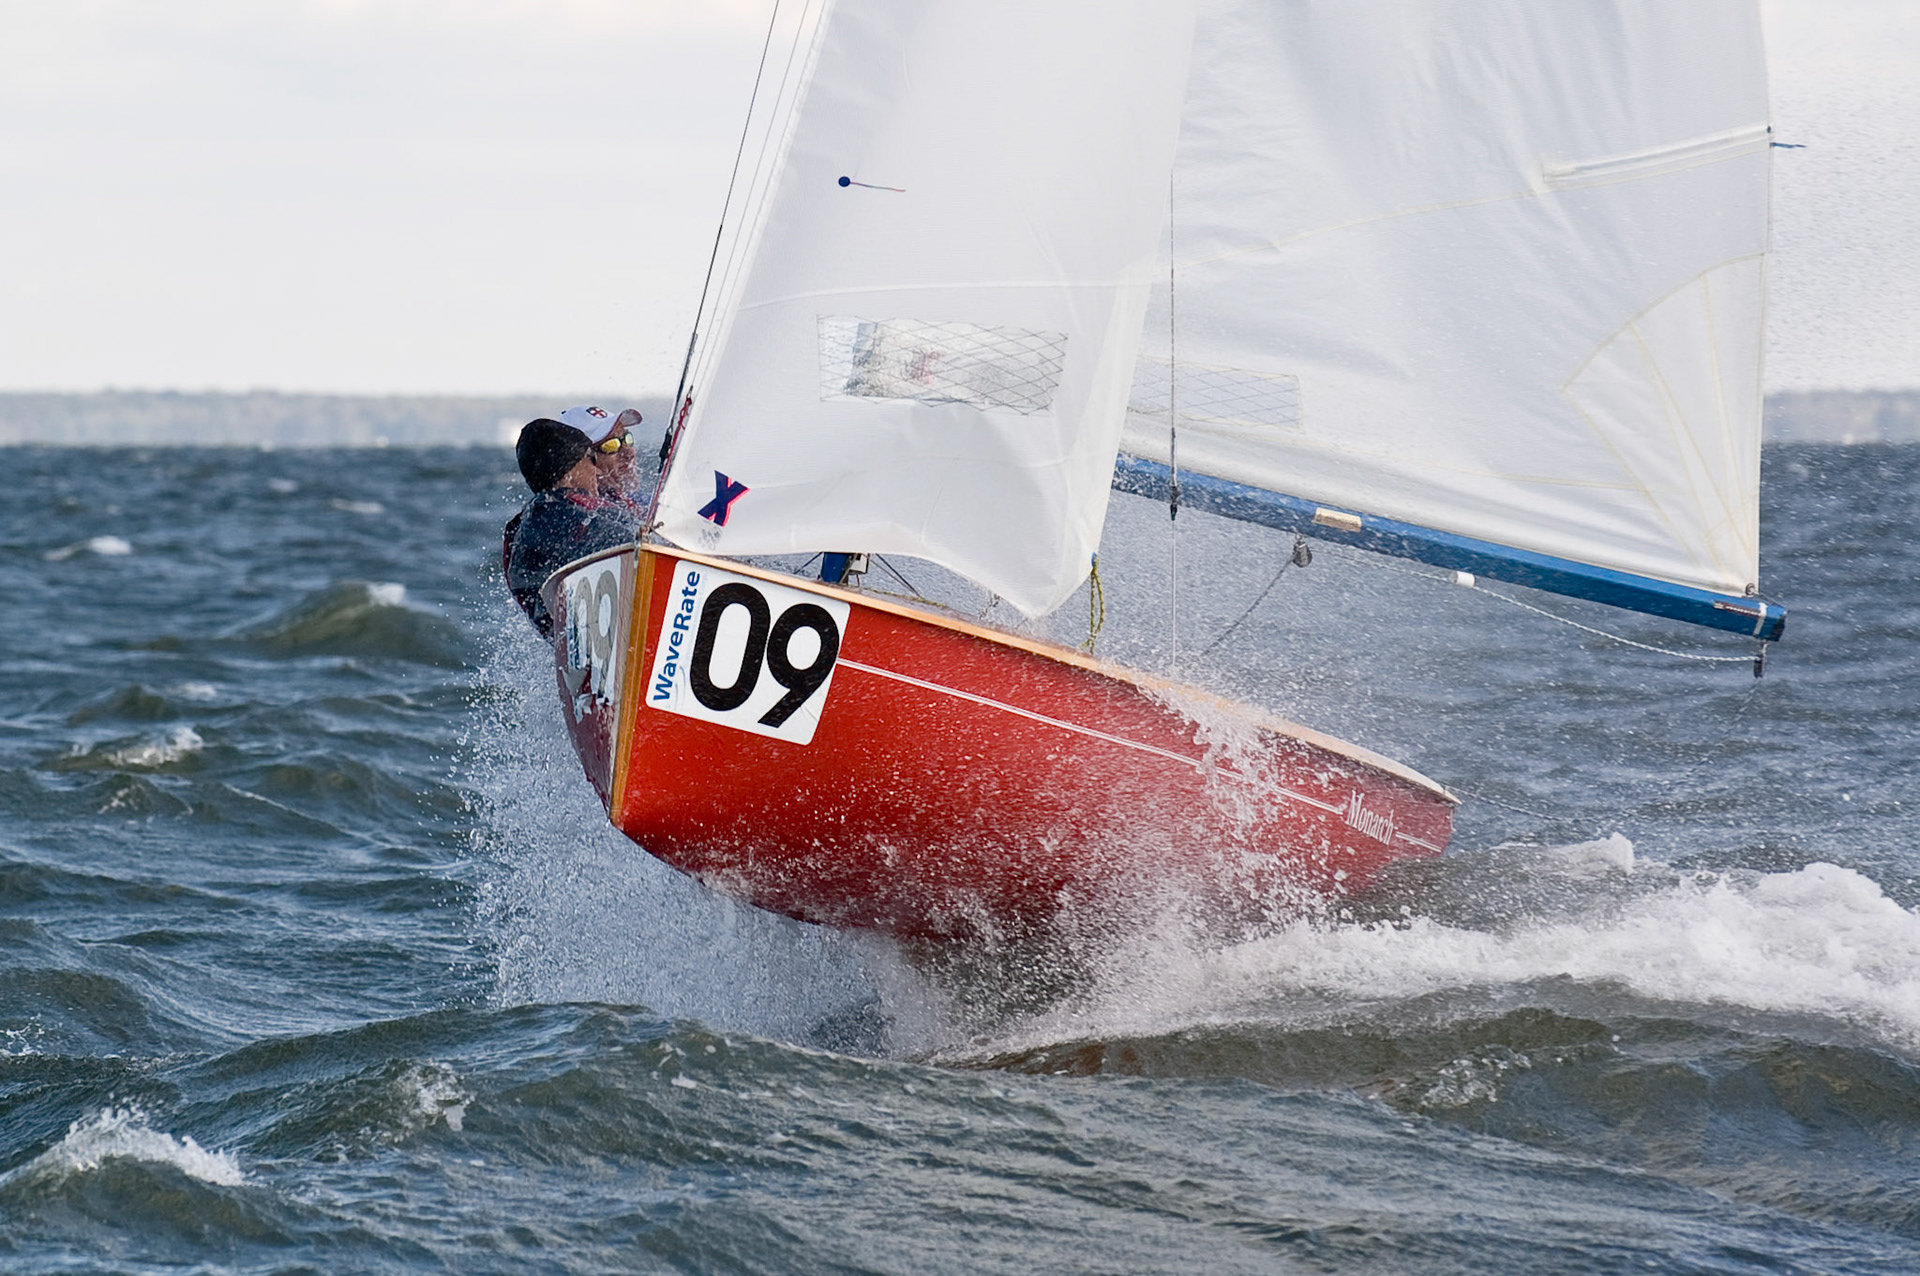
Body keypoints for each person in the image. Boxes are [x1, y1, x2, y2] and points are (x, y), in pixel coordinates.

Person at [502, 407, 645, 635]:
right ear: (569, 471)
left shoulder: (554, 511)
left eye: (627, 439)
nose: (597, 473)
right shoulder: (552, 514)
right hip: (591, 635)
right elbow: (627, 542)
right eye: (609, 447)